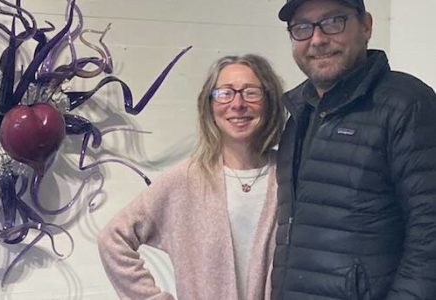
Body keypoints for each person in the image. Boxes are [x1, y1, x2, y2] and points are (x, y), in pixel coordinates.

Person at [272, 0, 436, 299]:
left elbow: (430, 232)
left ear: (367, 26)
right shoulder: (298, 115)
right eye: (302, 28)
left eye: (333, 21)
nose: (318, 39)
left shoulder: (407, 104)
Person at [97, 54, 286, 300]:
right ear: (209, 105)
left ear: (269, 102)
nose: (237, 104)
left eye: (251, 92)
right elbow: (113, 239)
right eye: (224, 93)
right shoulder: (186, 180)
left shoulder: (288, 175)